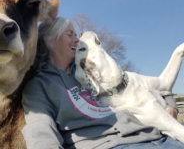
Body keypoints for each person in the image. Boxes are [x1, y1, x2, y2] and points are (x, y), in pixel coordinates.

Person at [21, 17, 183, 149]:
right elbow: (40, 129)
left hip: (153, 136)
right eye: (70, 34)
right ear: (50, 41)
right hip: (107, 144)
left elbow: (142, 86)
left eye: (76, 35)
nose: (77, 40)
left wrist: (171, 105)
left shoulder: (90, 70)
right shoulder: (39, 86)